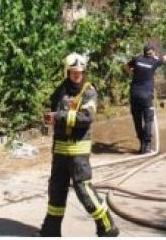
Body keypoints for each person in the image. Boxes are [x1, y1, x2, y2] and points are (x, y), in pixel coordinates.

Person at [39, 53, 119, 237]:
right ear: (67, 72)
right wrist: (48, 118)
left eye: (80, 72)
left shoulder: (89, 91)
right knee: (56, 190)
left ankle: (107, 227)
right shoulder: (60, 90)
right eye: (74, 72)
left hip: (78, 151)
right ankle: (51, 230)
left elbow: (86, 117)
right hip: (59, 149)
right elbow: (52, 109)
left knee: (83, 191)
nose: (77, 76)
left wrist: (59, 116)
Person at [124, 44, 166, 154]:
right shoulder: (153, 62)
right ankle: (146, 146)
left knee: (137, 120)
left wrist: (132, 72)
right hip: (146, 96)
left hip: (134, 95)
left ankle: (142, 143)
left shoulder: (137, 59)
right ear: (152, 53)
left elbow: (126, 67)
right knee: (148, 120)